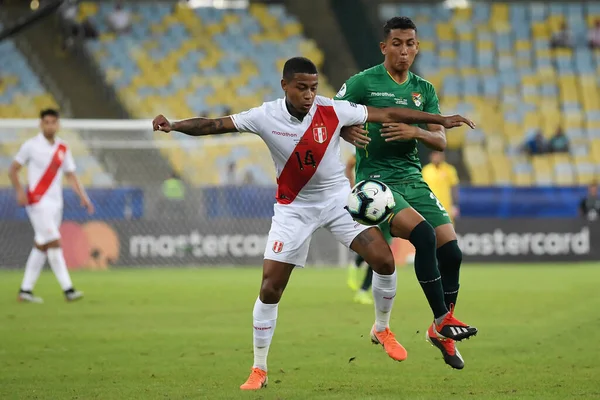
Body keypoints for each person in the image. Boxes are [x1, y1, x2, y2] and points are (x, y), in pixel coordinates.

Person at [153, 56, 475, 390]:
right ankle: (259, 369)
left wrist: (440, 119)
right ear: (285, 87)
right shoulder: (265, 116)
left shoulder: (332, 110)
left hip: (338, 202)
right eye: (301, 88)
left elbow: (390, 114)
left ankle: (381, 328)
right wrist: (173, 126)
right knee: (270, 288)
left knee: (384, 259)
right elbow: (213, 126)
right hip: (294, 209)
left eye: (314, 88)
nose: (309, 95)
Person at [336, 17, 478, 370]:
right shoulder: (363, 81)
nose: (403, 50)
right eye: (396, 43)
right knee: (424, 236)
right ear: (384, 47)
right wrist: (346, 133)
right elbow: (329, 114)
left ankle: (440, 330)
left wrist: (413, 132)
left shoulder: (424, 89)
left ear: (417, 47)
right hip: (377, 182)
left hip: (412, 178)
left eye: (409, 43)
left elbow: (440, 139)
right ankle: (442, 319)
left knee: (453, 251)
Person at [8, 109, 94, 303]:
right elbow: (13, 169)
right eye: (46, 122)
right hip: (37, 202)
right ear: (41, 124)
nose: (50, 125)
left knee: (41, 245)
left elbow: (71, 174)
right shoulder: (30, 146)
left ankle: (25, 291)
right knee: (54, 241)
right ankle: (68, 289)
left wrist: (83, 197)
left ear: (58, 124)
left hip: (56, 203)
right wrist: (20, 191)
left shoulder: (63, 148)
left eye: (53, 122)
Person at [345, 154, 394, 305]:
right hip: (372, 204)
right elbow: (349, 164)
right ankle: (363, 290)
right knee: (380, 251)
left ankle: (355, 265)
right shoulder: (367, 150)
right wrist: (353, 186)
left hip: (387, 201)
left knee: (378, 248)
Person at [422, 151, 460, 222]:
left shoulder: (449, 169)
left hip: (446, 208)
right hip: (430, 208)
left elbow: (454, 188)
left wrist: (455, 205)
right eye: (434, 154)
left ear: (442, 155)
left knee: (448, 231)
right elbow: (422, 190)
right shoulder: (426, 170)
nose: (436, 157)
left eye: (438, 154)